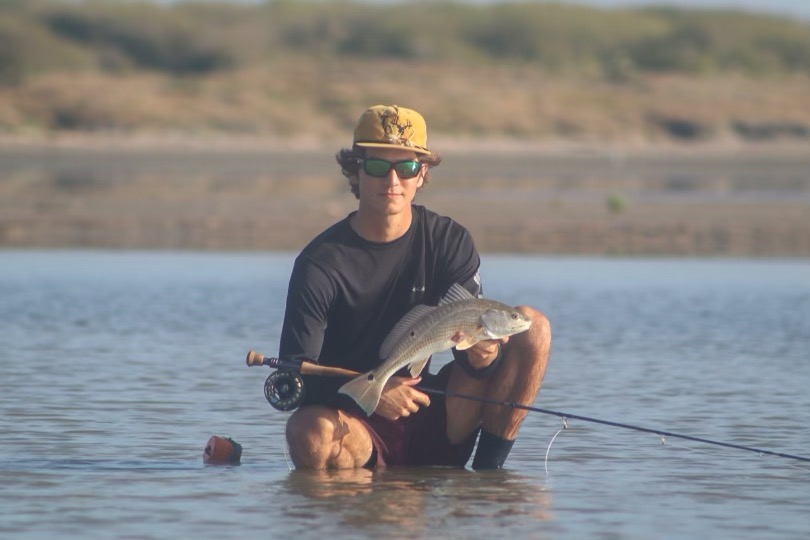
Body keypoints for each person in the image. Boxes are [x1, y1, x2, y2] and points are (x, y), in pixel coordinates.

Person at [279, 104, 551, 470]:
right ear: (355, 172)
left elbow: (478, 367)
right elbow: (293, 374)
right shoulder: (320, 264)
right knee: (307, 430)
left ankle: (488, 478)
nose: (392, 181)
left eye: (405, 167)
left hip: (432, 407)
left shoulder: (449, 241)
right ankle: (346, 516)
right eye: (377, 166)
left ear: (422, 174)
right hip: (356, 422)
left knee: (533, 328)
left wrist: (483, 358)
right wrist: (373, 394)